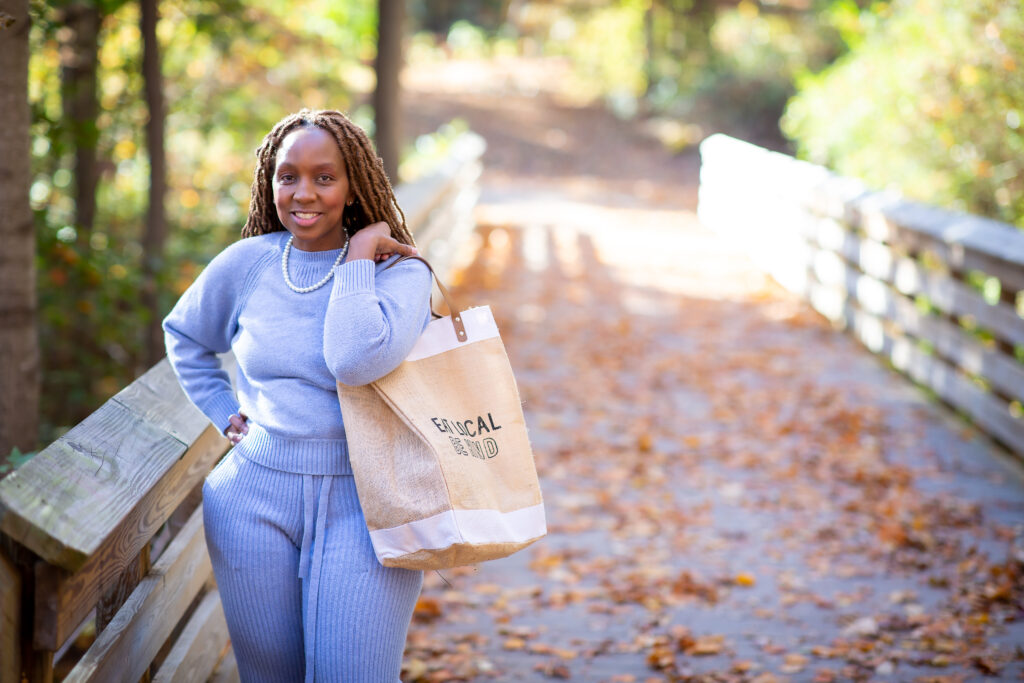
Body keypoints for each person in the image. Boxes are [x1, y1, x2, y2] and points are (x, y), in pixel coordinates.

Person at [162, 108, 432, 682]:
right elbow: (184, 335)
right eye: (288, 176)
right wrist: (223, 413)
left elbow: (354, 359)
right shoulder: (247, 264)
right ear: (271, 181)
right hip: (251, 501)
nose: (303, 193)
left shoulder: (399, 275)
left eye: (325, 177)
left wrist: (358, 259)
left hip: (370, 504)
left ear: (354, 183)